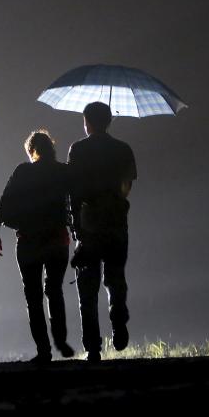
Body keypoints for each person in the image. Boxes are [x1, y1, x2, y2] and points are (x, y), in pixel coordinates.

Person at [0, 129, 75, 363]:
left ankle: (44, 350)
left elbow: (4, 201)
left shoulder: (23, 171)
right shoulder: (63, 171)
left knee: (33, 297)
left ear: (31, 150)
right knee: (54, 290)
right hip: (58, 239)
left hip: (28, 241)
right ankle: (60, 338)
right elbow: (77, 201)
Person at [67, 101, 137, 362]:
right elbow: (127, 185)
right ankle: (118, 317)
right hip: (117, 224)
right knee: (115, 278)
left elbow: (72, 190)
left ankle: (93, 347)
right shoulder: (123, 149)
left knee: (87, 287)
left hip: (88, 225)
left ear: (87, 122)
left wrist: (75, 224)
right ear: (109, 121)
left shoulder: (78, 149)